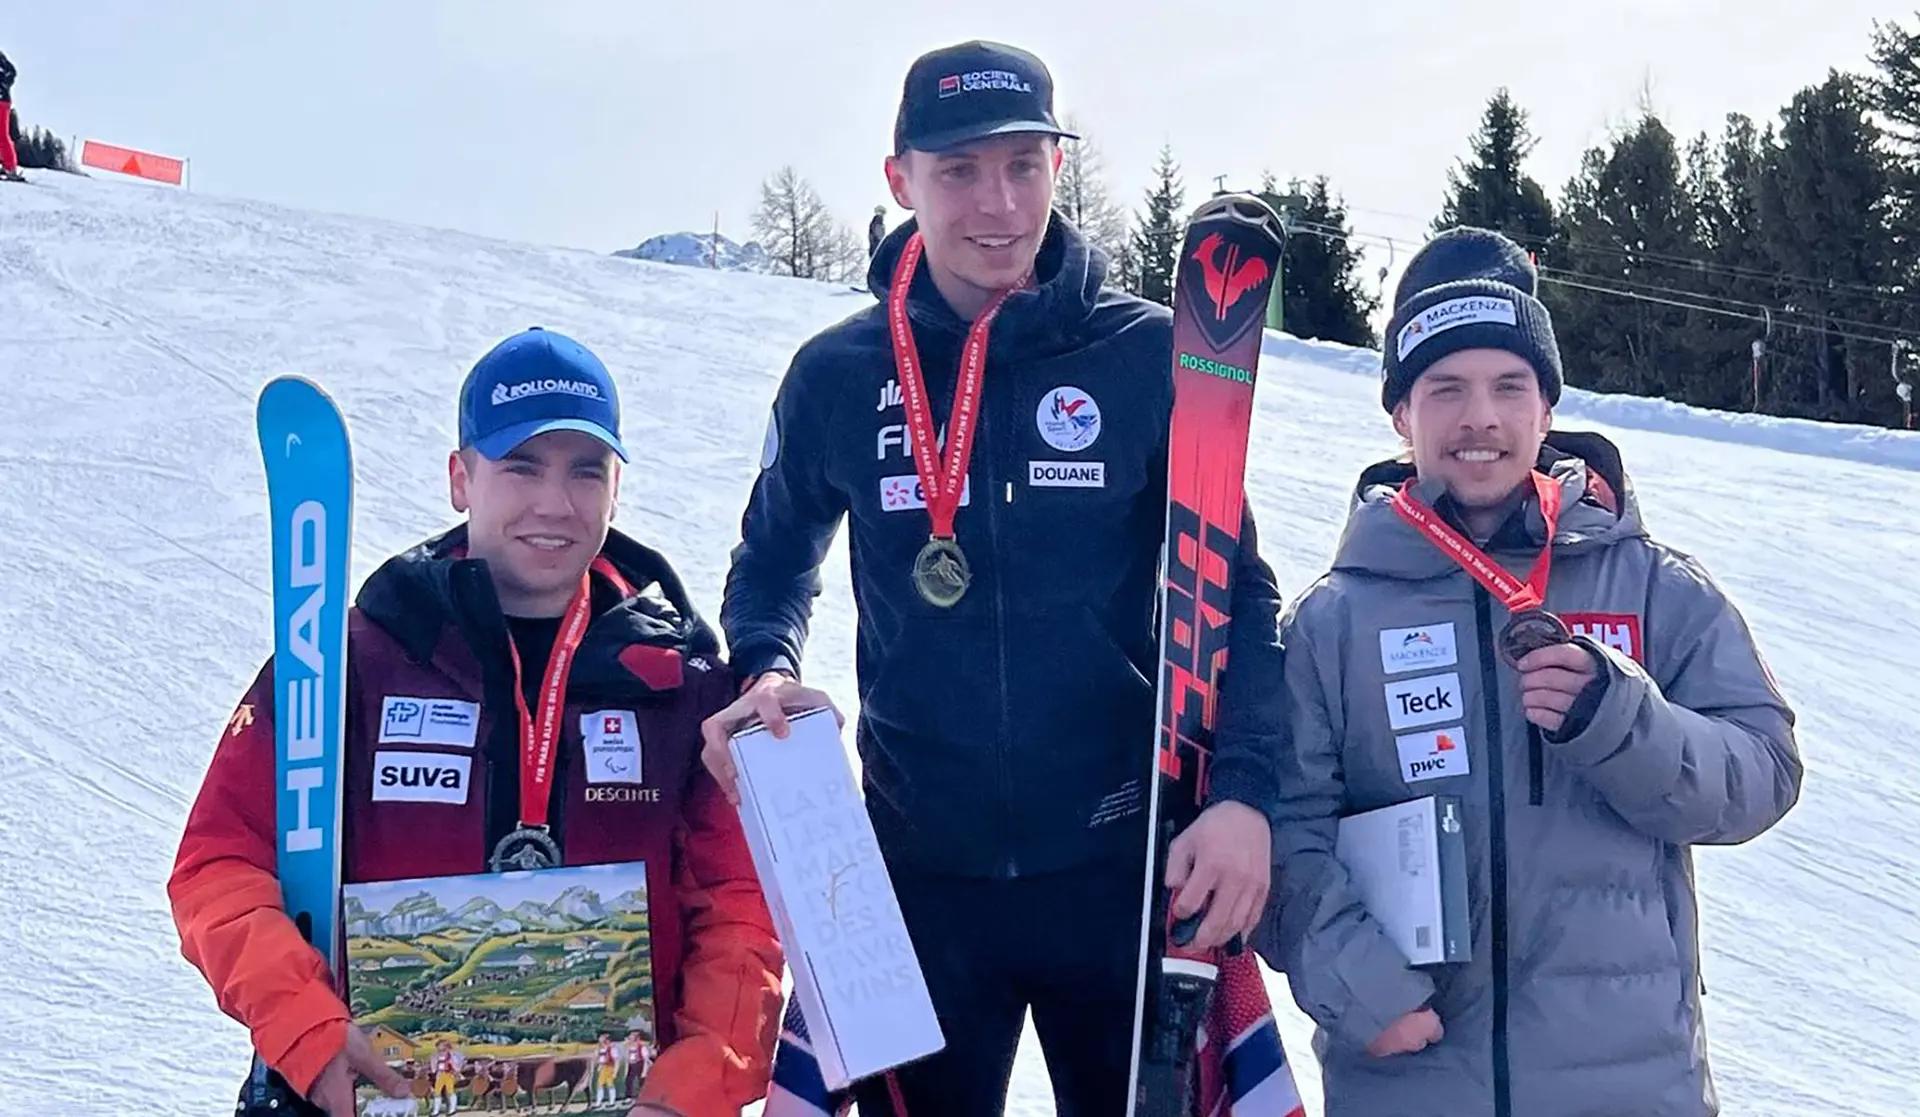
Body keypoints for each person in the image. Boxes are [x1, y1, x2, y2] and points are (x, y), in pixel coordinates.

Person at [703, 39, 1285, 1117]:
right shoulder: (841, 372)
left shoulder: (1145, 357)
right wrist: (762, 668)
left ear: (1060, 168)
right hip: (919, 883)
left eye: (1023, 164)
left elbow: (1237, 591)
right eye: (960, 169)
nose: (997, 202)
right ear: (900, 180)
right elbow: (774, 559)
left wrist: (1246, 794)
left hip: (1118, 869)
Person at [1255, 227, 1803, 1117]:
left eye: (1511, 386)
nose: (1482, 418)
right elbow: (1287, 833)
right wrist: (1359, 985)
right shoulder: (1335, 621)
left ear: (1546, 408)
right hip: (1414, 1075)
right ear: (1401, 414)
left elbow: (1765, 770)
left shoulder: (1650, 584)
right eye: (1446, 389)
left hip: (1628, 1083)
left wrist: (1623, 721)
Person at [170, 328, 783, 1117]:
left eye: (585, 471)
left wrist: (694, 1088)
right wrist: (307, 1031)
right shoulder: (352, 661)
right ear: (461, 478)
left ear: (617, 485)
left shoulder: (682, 689)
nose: (554, 503)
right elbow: (218, 866)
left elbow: (740, 912)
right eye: (521, 466)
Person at [0, 49, 21, 183]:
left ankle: (10, 167)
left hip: (1, 100)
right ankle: (5, 164)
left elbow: (12, 72)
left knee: (2, 134)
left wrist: (3, 85)